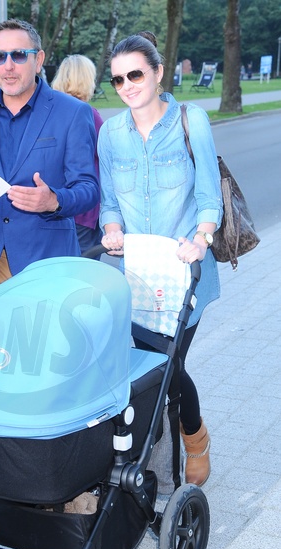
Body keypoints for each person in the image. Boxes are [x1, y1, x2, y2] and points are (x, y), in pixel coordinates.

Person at [0, 18, 99, 513]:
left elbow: (89, 189)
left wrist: (54, 201)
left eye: (18, 55)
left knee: (44, 376)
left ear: (38, 59)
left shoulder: (72, 113)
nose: (8, 65)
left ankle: (52, 478)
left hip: (46, 265)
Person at [98, 32, 223, 487]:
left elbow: (209, 195)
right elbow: (109, 202)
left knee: (169, 364)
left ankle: (194, 436)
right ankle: (146, 441)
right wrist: (112, 228)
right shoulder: (111, 134)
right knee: (148, 363)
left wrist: (202, 238)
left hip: (185, 270)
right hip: (137, 274)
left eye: (135, 74)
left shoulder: (191, 120)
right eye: (117, 79)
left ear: (158, 72)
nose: (127, 86)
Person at [51, 54, 103, 254]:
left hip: (57, 202)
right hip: (83, 207)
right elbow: (105, 153)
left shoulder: (50, 111)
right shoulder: (87, 113)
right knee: (84, 266)